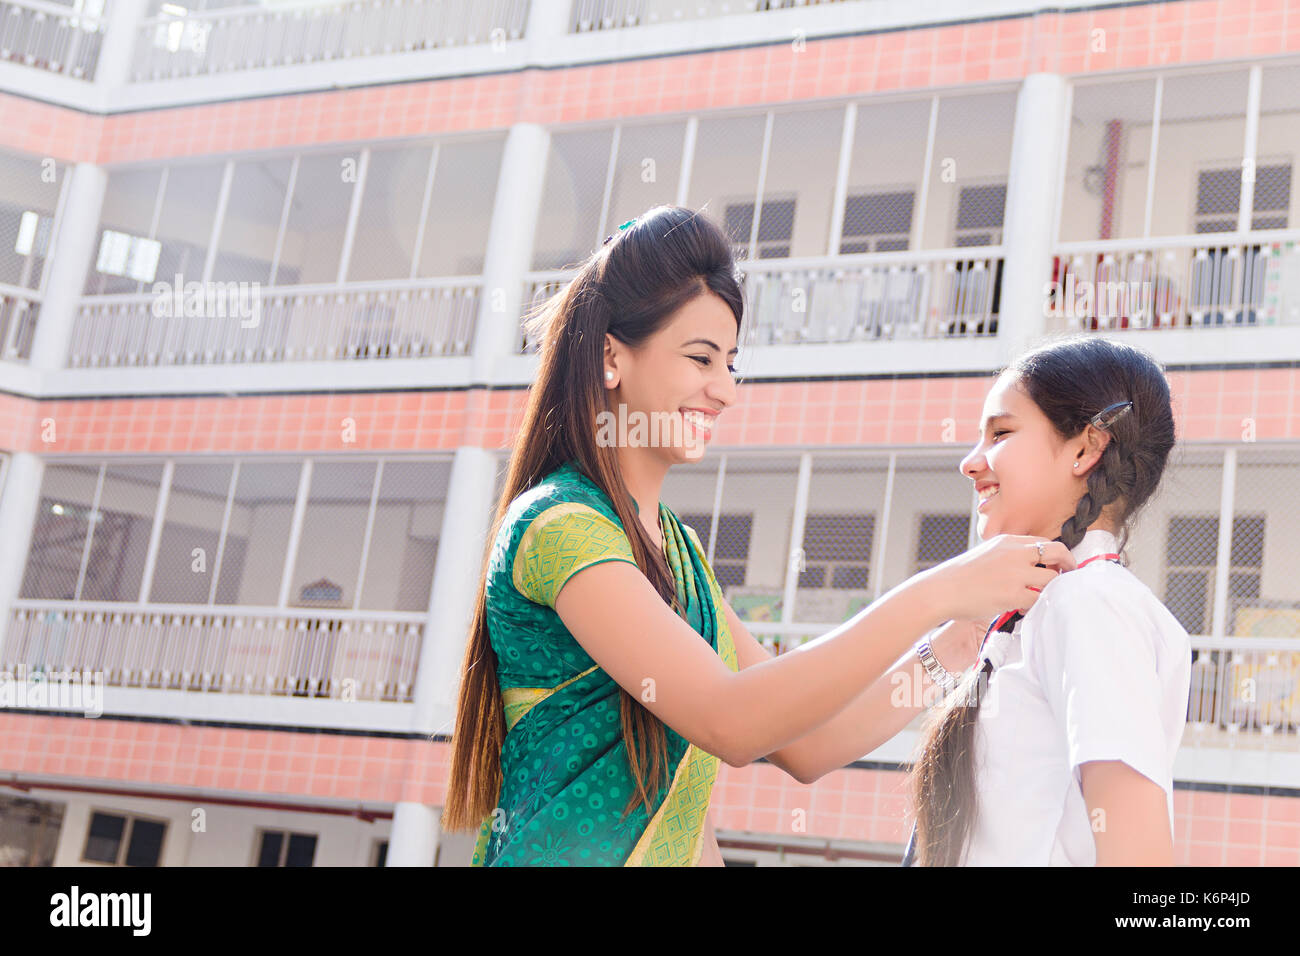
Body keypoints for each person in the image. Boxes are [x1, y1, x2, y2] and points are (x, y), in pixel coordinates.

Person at [441, 205, 1074, 866]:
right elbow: (732, 723)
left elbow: (805, 743)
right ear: (610, 357)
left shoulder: (679, 553)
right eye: (701, 359)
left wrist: (951, 647)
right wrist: (938, 590)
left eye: (731, 364)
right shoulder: (561, 526)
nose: (724, 392)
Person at [900, 335, 1191, 866]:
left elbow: (1139, 859)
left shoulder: (1090, 604)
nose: (970, 462)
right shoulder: (1043, 608)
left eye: (1001, 433)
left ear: (1086, 449)